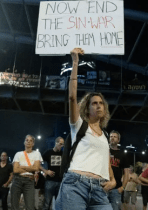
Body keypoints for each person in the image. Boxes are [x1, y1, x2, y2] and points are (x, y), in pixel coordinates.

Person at [55, 48, 116, 210]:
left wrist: (113, 179)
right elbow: (72, 96)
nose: (98, 106)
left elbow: (105, 159)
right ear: (87, 108)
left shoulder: (105, 135)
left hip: (100, 190)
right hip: (76, 184)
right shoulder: (78, 125)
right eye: (94, 103)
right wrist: (75, 63)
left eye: (101, 103)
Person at [11, 134, 42, 210]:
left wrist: (21, 166)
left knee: (30, 206)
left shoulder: (37, 154)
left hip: (29, 180)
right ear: (24, 142)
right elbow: (15, 170)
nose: (28, 142)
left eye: (31, 140)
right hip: (17, 179)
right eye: (26, 140)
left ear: (33, 144)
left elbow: (36, 168)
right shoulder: (18, 154)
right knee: (14, 205)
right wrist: (31, 168)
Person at [41, 136, 64, 210]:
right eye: (60, 144)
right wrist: (45, 171)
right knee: (47, 204)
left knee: (59, 204)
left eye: (62, 144)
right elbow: (38, 163)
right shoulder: (48, 152)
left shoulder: (63, 154)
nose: (61, 146)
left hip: (60, 182)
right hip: (50, 181)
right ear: (56, 143)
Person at [108, 130, 129, 210]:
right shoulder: (104, 151)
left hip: (116, 189)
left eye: (114, 137)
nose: (112, 138)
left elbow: (126, 173)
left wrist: (122, 187)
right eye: (111, 136)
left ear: (118, 140)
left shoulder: (122, 154)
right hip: (103, 187)